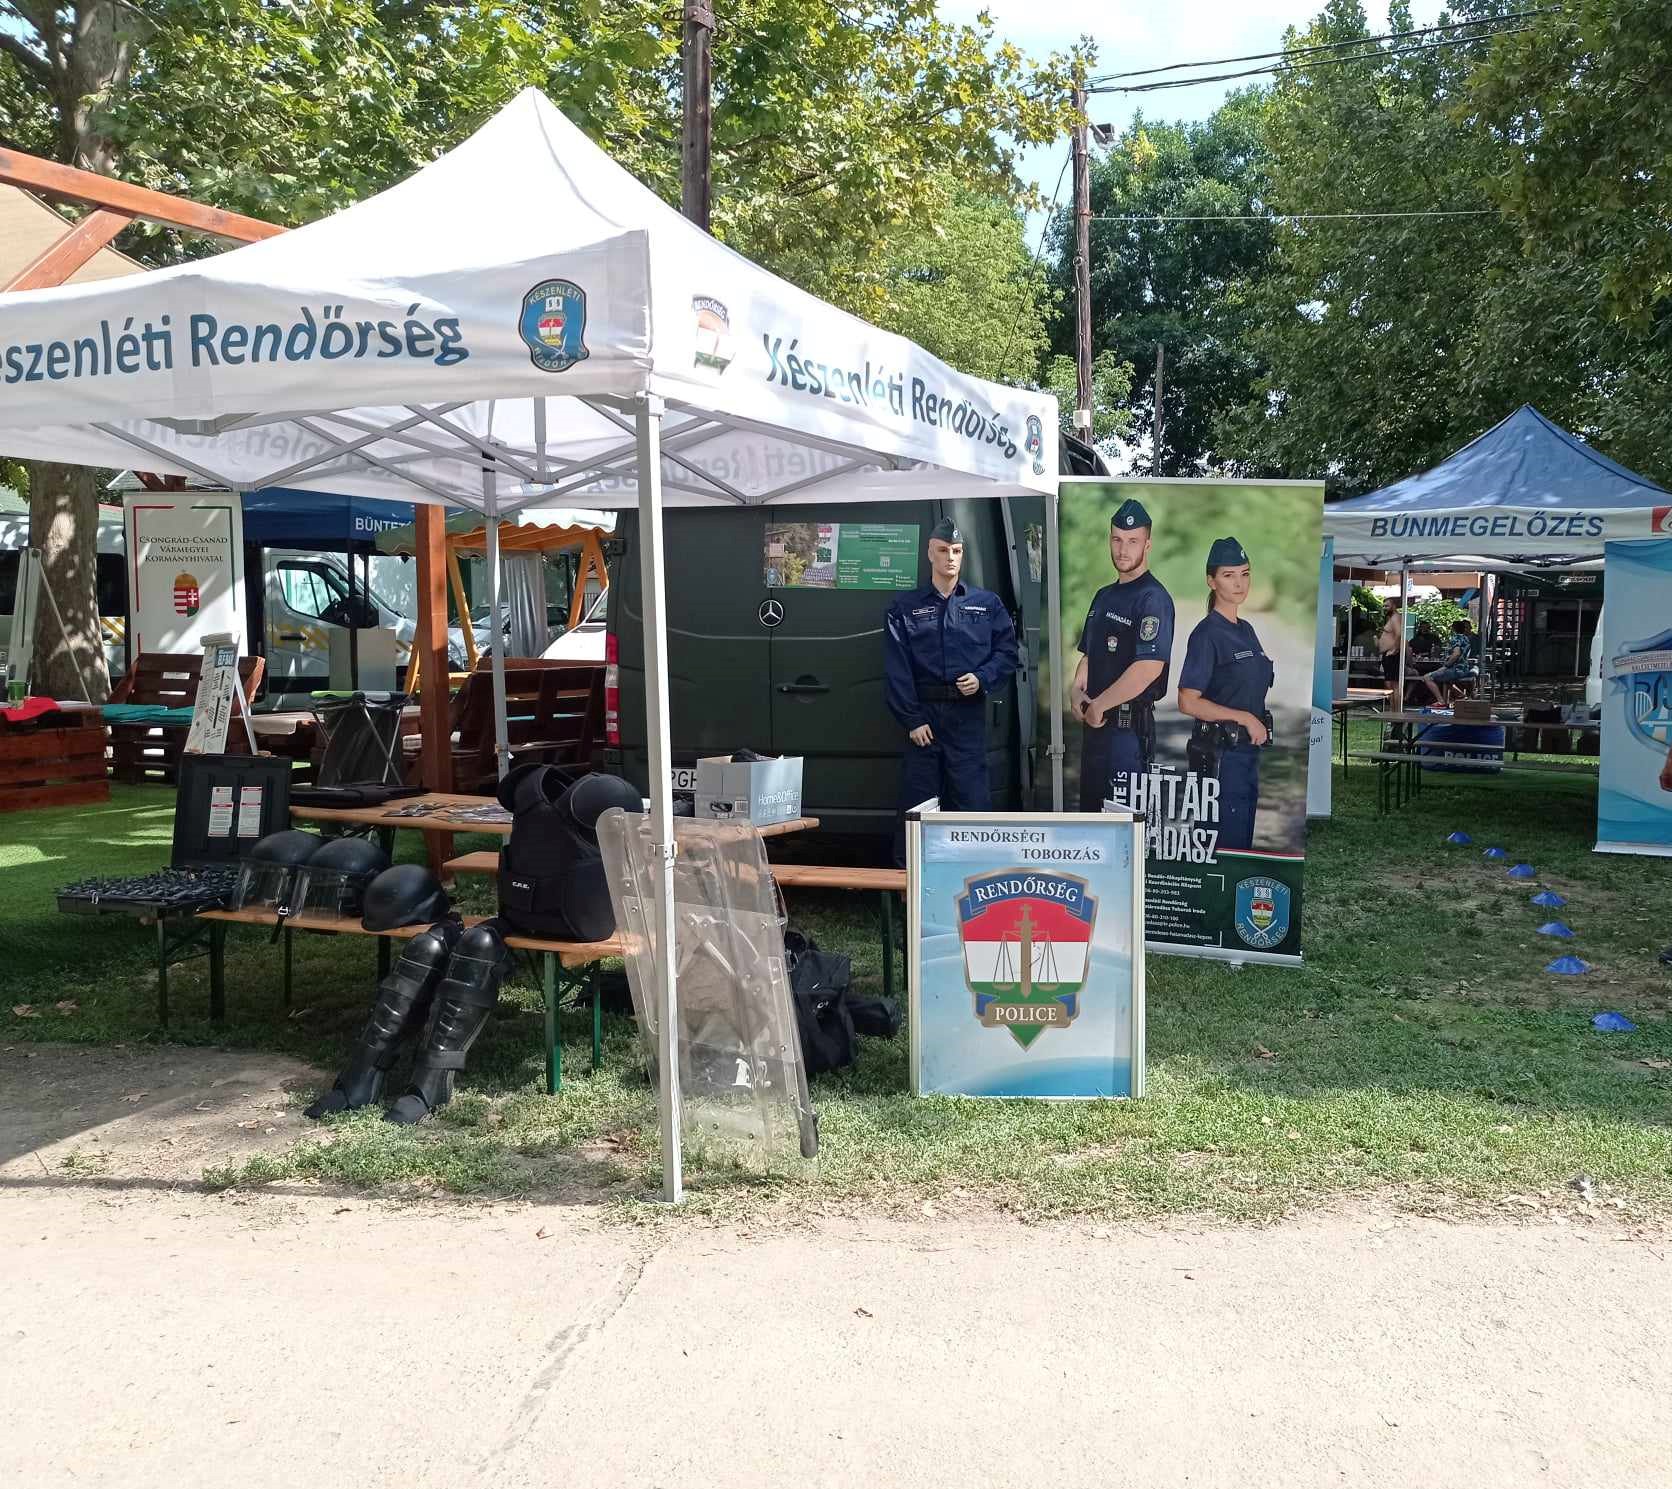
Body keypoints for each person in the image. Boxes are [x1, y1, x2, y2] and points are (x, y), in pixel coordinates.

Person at [884, 517, 1019, 863]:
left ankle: (976, 879)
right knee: (918, 807)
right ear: (930, 553)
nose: (950, 558)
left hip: (966, 716)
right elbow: (897, 669)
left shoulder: (986, 604)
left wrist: (983, 678)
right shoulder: (905, 607)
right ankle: (908, 884)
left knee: (971, 802)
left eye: (957, 551)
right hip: (924, 719)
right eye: (943, 550)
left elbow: (1007, 653)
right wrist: (912, 719)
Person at [1072, 498, 1176, 812]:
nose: (1123, 549)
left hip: (1128, 735)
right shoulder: (1103, 596)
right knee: (1091, 821)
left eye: (1132, 541)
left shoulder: (1153, 598)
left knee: (1123, 827)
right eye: (1117, 539)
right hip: (1095, 731)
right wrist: (1075, 690)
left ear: (1148, 545)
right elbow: (1088, 656)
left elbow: (1148, 668)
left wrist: (1099, 704)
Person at [1177, 536, 1274, 853]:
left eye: (1245, 574)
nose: (1239, 583)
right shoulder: (1206, 634)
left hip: (1247, 756)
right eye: (1229, 575)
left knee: (1241, 845)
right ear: (1211, 580)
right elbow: (1187, 701)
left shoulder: (1246, 630)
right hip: (1219, 758)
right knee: (1222, 850)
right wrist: (1244, 718)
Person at [1419, 618, 1478, 705]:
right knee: (1446, 680)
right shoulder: (1466, 638)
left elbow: (1456, 654)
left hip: (1455, 669)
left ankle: (1441, 701)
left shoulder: (1456, 638)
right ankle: (1461, 695)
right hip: (1464, 668)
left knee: (1427, 677)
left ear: (1453, 629)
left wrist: (1446, 665)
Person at [1377, 602, 1404, 684]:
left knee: (1392, 682)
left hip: (1392, 655)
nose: (1385, 608)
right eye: (1384, 606)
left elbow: (1399, 634)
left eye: (1387, 606)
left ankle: (1395, 693)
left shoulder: (1395, 619)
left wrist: (1395, 649)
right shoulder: (1390, 622)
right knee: (1389, 681)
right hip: (1387, 654)